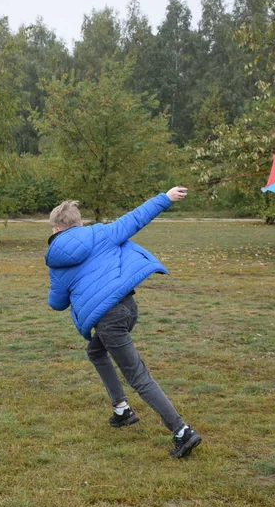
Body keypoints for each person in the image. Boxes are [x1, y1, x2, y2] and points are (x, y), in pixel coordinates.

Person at [46, 186, 201, 459]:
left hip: (107, 319)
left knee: (137, 376)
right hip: (128, 308)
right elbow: (137, 217)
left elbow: (57, 303)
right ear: (79, 223)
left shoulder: (55, 260)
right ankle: (122, 410)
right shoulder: (102, 233)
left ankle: (181, 431)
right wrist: (165, 198)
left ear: (56, 229)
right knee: (95, 350)